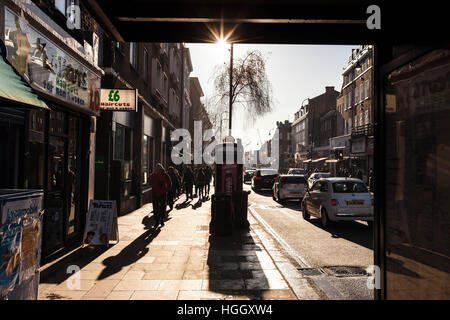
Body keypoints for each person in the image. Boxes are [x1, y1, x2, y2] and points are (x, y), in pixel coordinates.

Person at [148, 163, 172, 228]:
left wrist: (166, 190)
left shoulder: (165, 175)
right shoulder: (154, 175)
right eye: (157, 169)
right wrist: (152, 183)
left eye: (159, 169)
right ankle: (157, 221)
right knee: (155, 208)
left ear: (161, 169)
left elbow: (169, 183)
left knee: (162, 207)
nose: (158, 170)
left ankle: (161, 219)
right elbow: (149, 180)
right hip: (155, 194)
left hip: (163, 194)